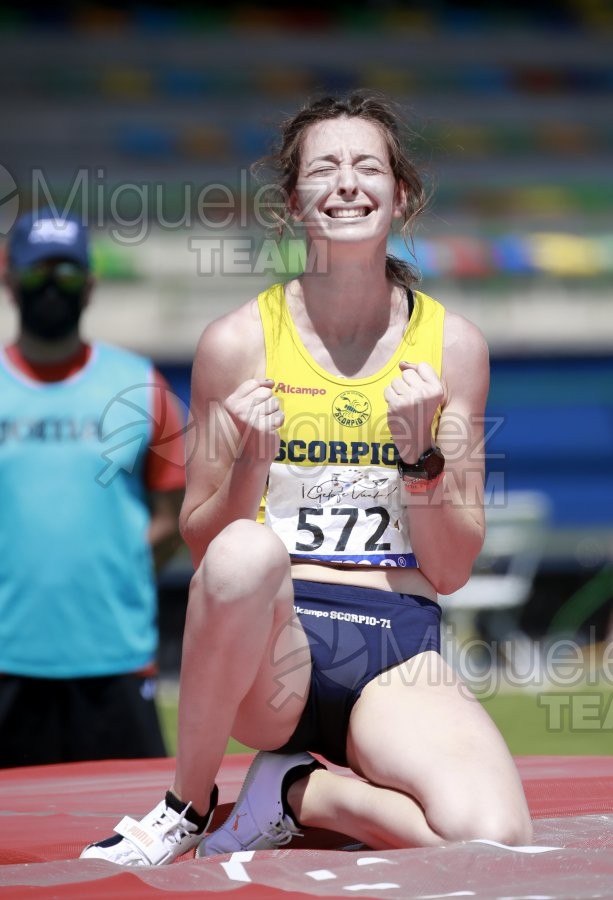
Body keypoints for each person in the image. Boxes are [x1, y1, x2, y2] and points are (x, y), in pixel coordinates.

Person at [81, 90, 532, 864]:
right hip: (274, 647)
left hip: (396, 645)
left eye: (368, 167)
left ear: (402, 196)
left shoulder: (452, 349)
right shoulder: (235, 343)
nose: (347, 183)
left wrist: (420, 454)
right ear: (293, 204)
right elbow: (202, 545)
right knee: (244, 552)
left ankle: (296, 792)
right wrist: (252, 459)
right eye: (325, 168)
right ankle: (186, 803)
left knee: (491, 839)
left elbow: (452, 567)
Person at [0, 208, 186, 767]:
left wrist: (120, 573)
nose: (51, 286)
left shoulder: (138, 383)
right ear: (9, 278)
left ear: (91, 284)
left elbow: (171, 514)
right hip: (7, 663)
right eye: (36, 273)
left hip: (116, 662)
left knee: (131, 839)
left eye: (66, 272)